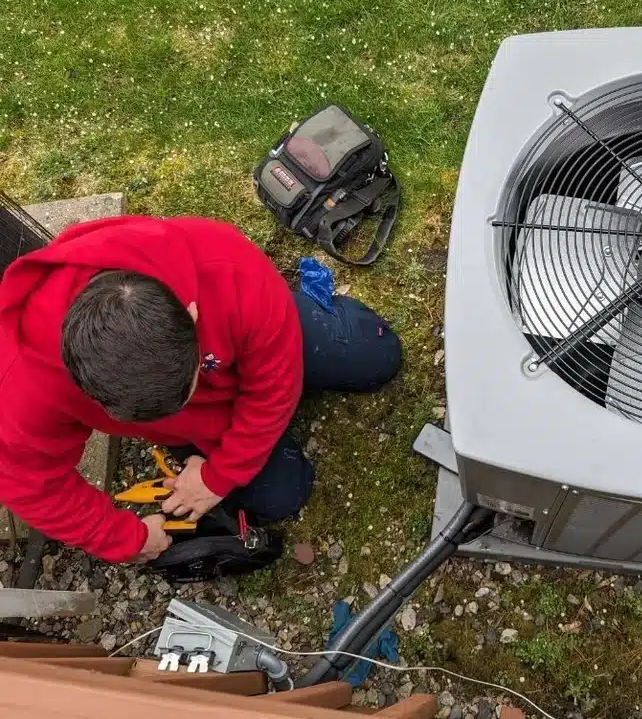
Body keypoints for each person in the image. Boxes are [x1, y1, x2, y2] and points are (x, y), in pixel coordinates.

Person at [0, 216, 401, 564]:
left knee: (378, 356)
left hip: (261, 344)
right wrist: (126, 539)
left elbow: (275, 385)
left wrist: (219, 476)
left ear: (191, 316)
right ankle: (193, 440)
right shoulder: (23, 377)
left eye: (184, 389)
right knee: (282, 496)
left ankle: (314, 319)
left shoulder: (227, 268)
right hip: (201, 424)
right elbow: (29, 482)